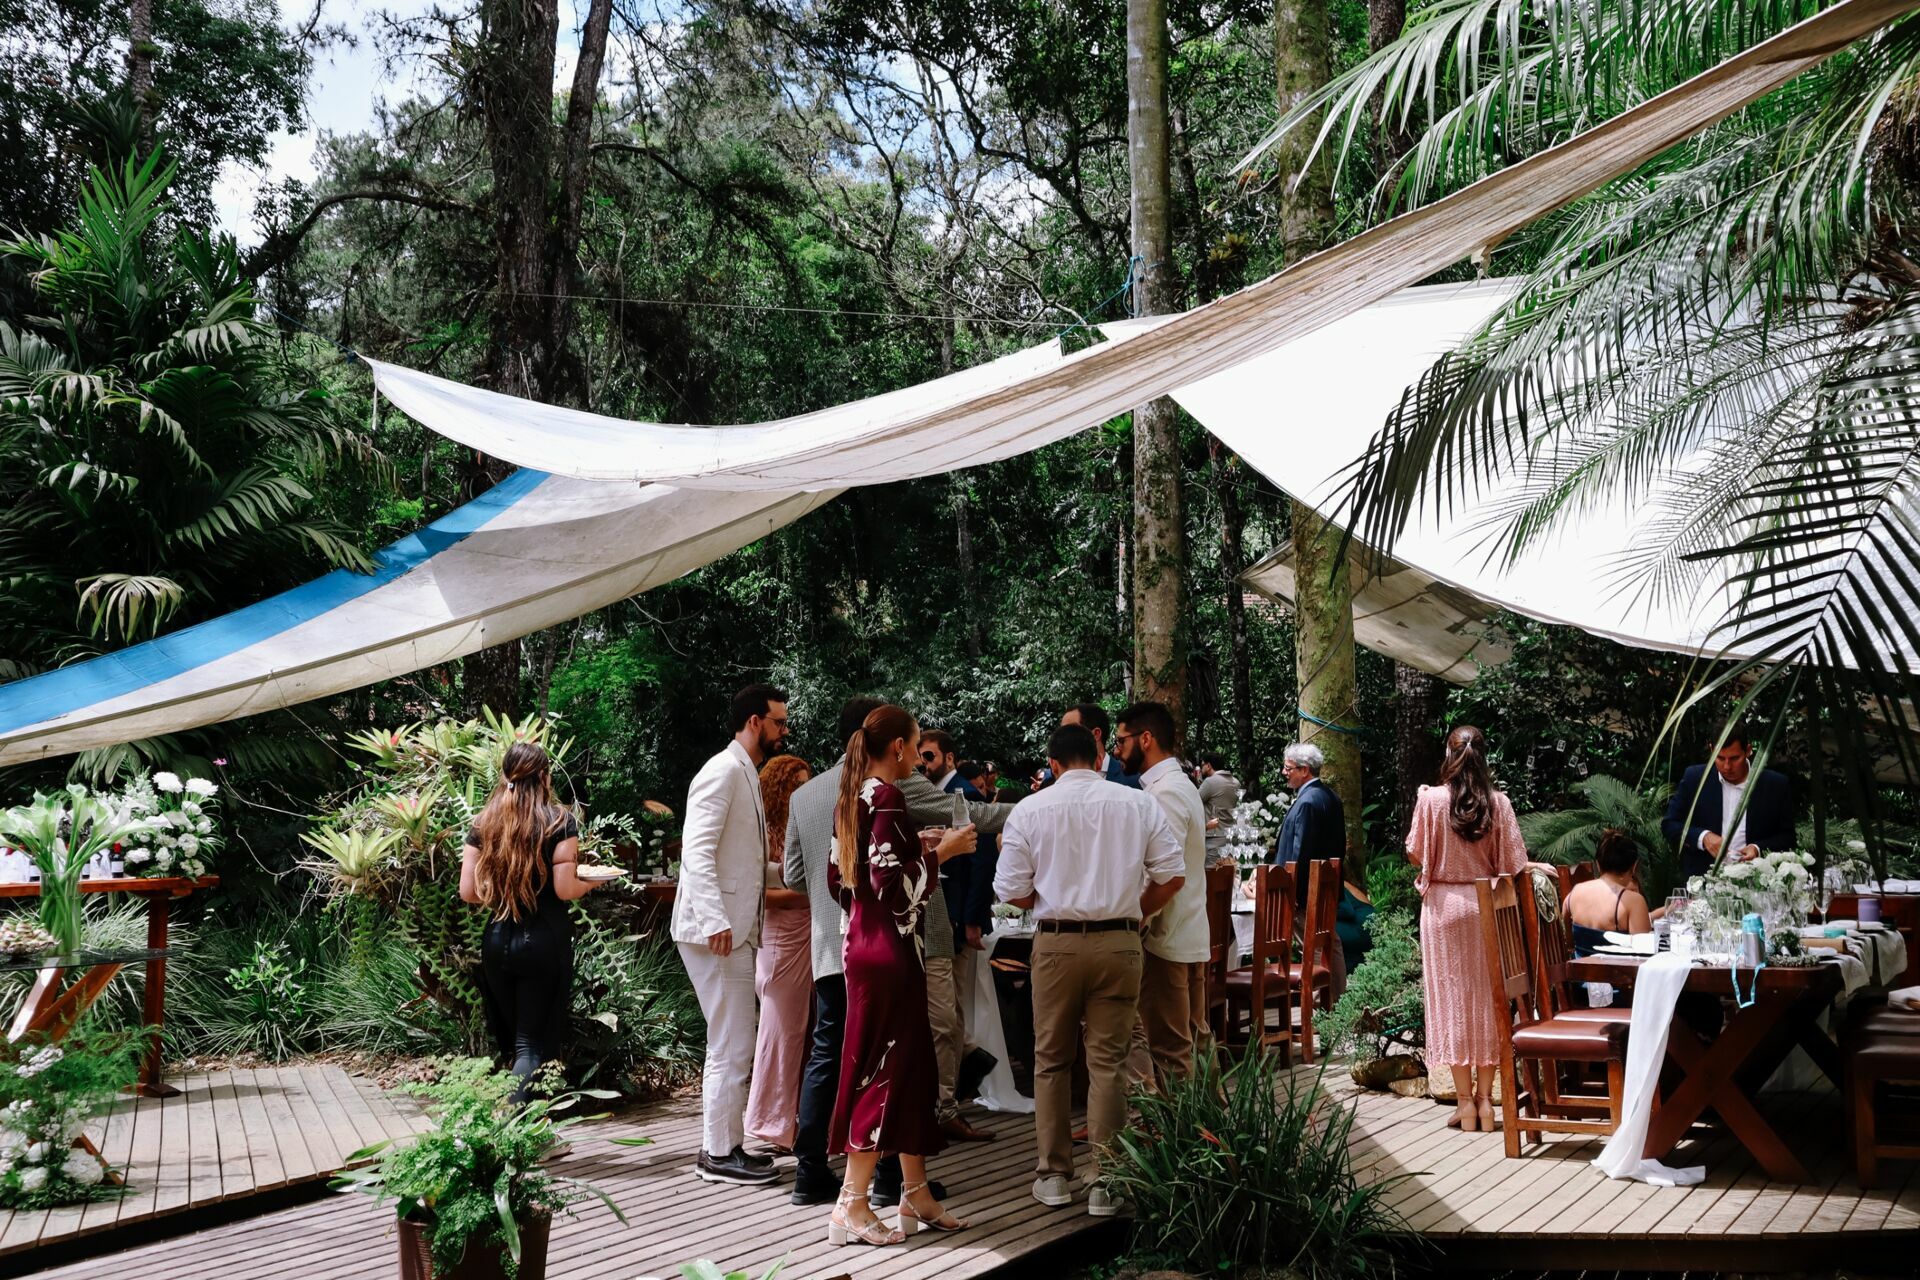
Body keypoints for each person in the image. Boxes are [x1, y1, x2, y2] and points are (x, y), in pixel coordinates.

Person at [995, 722, 1185, 1216]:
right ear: (1098, 757)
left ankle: (1054, 1174)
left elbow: (1010, 890)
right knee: (1110, 1062)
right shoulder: (1137, 804)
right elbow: (1172, 875)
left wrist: (1047, 897)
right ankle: (1105, 1178)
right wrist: (1136, 912)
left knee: (1051, 1060)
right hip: (1120, 941)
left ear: (1053, 764)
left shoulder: (1030, 810)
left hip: (1057, 943)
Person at [827, 704, 975, 1246]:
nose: (919, 755)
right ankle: (852, 1202)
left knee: (909, 1069)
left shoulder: (854, 796)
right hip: (889, 953)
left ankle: (916, 1191)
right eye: (915, 746)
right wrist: (945, 854)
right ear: (897, 749)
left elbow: (841, 880)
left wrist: (920, 849)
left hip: (863, 947)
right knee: (883, 1071)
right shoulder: (886, 796)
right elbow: (891, 888)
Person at [671, 683, 790, 1186]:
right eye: (780, 721)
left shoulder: (744, 770)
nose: (786, 730)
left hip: (732, 928)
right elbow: (695, 851)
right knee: (731, 1044)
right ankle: (719, 1155)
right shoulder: (722, 770)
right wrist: (717, 919)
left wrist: (794, 872)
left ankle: (724, 1146)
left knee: (731, 1043)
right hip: (717, 932)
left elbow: (740, 860)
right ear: (754, 721)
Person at [459, 743, 603, 1102]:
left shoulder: (484, 822)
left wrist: (505, 891)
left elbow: (468, 891)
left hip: (497, 939)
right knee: (531, 1047)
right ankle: (515, 1131)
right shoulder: (559, 821)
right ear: (544, 777)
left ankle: (536, 1129)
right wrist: (595, 880)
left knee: (519, 1045)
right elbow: (565, 889)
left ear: (507, 777)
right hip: (543, 940)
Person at [1407, 725, 1530, 1134]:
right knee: (1489, 1002)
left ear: (1449, 752)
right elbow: (1514, 864)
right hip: (1485, 908)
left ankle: (1464, 1104)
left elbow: (1415, 852)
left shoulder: (1431, 800)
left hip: (1442, 911)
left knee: (1453, 1002)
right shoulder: (1500, 804)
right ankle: (1486, 1103)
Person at [904, 731, 1010, 1142]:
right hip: (929, 925)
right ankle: (946, 1096)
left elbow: (981, 862)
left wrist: (971, 919)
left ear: (948, 756)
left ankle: (947, 1099)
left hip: (950, 921)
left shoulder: (961, 792)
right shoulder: (916, 794)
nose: (922, 763)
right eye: (917, 754)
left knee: (949, 1015)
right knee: (946, 1017)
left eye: (927, 755)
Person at [1115, 701, 1210, 1087]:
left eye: (1121, 741)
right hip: (1186, 933)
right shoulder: (1178, 785)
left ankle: (1186, 1143)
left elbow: (1166, 875)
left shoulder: (1164, 793)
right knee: (1195, 1047)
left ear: (1146, 739)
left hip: (1166, 940)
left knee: (1172, 1050)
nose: (1117, 750)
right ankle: (1211, 1134)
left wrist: (1134, 922)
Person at [743, 754, 814, 1151]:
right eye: (795, 784)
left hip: (808, 932)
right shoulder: (762, 832)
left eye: (806, 782)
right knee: (780, 1032)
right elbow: (756, 893)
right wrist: (803, 895)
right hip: (778, 937)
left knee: (804, 1032)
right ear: (778, 788)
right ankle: (769, 1122)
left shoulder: (800, 827)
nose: (802, 790)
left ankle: (796, 1117)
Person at [1661, 727, 1795, 881]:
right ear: (1712, 750)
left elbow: (1787, 837)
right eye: (1720, 758)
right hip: (1704, 884)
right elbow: (1669, 824)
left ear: (1748, 750)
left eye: (1734, 758)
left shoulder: (1774, 785)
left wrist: (1758, 848)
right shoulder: (1695, 778)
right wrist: (1703, 837)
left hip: (1757, 884)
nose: (1726, 766)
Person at [1270, 742, 1349, 999]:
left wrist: (1291, 892)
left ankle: (1324, 1004)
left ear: (1305, 770)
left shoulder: (1307, 802)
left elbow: (1299, 854)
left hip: (1305, 893)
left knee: (1316, 946)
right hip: (1324, 889)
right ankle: (1333, 1001)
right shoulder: (1330, 796)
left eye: (1288, 768)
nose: (1284, 772)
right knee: (1329, 943)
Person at [1566, 828, 1653, 957]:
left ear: (1598, 864)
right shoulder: (1633, 901)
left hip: (1580, 975)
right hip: (1618, 975)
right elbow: (1643, 954)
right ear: (1634, 866)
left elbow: (1568, 941)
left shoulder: (1574, 893)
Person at [1032, 704, 1141, 789]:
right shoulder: (1052, 781)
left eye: (1070, 730)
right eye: (1061, 731)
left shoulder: (1133, 780)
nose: (1062, 737)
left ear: (1096, 734)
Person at [1196, 752, 1240, 868]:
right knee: (1230, 879)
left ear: (1209, 766)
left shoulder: (1210, 782)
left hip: (1214, 839)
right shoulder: (1235, 782)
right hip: (1231, 838)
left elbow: (1194, 801)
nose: (1201, 768)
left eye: (1202, 765)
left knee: (1213, 881)